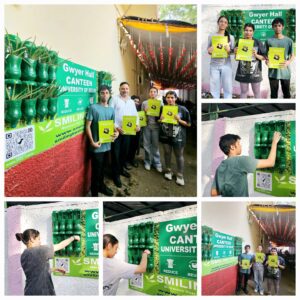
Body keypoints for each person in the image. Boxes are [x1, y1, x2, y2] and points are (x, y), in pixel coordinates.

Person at [211, 131, 281, 197]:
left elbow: (213, 192)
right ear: (232, 147)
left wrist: (230, 189)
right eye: (238, 143)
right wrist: (274, 142)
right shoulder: (241, 161)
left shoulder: (220, 167)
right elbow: (270, 162)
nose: (240, 146)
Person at [16, 228, 80, 295]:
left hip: (29, 291)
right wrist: (73, 237)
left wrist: (55, 269)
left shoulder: (23, 255)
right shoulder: (40, 250)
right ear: (32, 239)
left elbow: (36, 272)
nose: (40, 242)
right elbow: (60, 245)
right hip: (42, 292)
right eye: (39, 239)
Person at [86, 85, 119, 197]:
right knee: (96, 172)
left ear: (109, 95)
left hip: (107, 145)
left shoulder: (111, 109)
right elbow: (87, 126)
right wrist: (92, 142)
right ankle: (94, 194)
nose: (104, 94)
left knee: (103, 170)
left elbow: (112, 125)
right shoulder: (93, 108)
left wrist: (117, 133)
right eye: (102, 92)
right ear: (99, 94)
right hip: (97, 146)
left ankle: (101, 186)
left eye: (106, 92)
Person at [109, 82, 140, 187]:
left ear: (129, 90)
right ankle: (115, 175)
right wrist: (116, 127)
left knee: (124, 152)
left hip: (127, 131)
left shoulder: (131, 102)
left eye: (126, 88)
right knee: (116, 154)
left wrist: (137, 124)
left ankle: (121, 170)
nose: (125, 90)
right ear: (119, 89)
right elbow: (110, 114)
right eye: (123, 88)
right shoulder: (114, 99)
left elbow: (135, 114)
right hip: (116, 131)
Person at [159, 91, 191, 186]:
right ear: (165, 98)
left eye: (172, 97)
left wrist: (179, 120)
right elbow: (159, 121)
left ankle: (180, 175)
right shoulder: (163, 108)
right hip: (165, 135)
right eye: (168, 97)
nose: (170, 99)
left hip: (178, 137)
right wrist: (160, 119)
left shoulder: (182, 109)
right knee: (167, 153)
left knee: (179, 155)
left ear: (176, 98)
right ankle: (168, 171)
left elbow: (189, 124)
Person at [265, 18, 295, 98]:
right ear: (272, 27)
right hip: (273, 72)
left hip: (285, 71)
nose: (277, 27)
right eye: (275, 26)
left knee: (287, 94)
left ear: (283, 27)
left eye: (279, 25)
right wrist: (266, 61)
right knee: (273, 95)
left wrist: (288, 62)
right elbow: (266, 55)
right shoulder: (268, 40)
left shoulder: (289, 41)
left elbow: (292, 55)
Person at [234, 23, 266, 98]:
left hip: (255, 72)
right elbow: (236, 58)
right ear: (243, 31)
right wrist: (236, 53)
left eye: (250, 30)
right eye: (246, 30)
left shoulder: (258, 42)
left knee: (257, 92)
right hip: (243, 71)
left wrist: (256, 55)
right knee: (243, 92)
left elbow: (264, 57)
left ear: (253, 32)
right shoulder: (240, 42)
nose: (248, 32)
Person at [207, 16, 235, 98]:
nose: (223, 23)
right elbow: (208, 50)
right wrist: (209, 50)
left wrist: (229, 50)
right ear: (218, 23)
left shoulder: (231, 37)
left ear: (227, 25)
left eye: (225, 22)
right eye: (221, 21)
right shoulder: (212, 36)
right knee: (214, 88)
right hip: (214, 65)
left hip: (226, 65)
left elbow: (233, 52)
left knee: (228, 88)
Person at [141, 87, 163, 172]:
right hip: (147, 126)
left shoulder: (160, 103)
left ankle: (157, 163)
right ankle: (147, 161)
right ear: (149, 93)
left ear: (157, 93)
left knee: (155, 145)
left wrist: (162, 117)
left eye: (154, 92)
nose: (153, 93)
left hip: (156, 127)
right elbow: (141, 116)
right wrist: (145, 112)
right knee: (146, 145)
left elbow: (163, 115)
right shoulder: (144, 103)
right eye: (151, 91)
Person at [126, 95, 142, 169]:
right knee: (127, 146)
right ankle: (126, 161)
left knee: (134, 145)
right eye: (134, 101)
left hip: (137, 130)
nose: (136, 103)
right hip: (128, 129)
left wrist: (139, 126)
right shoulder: (127, 108)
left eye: (138, 102)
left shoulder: (140, 109)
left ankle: (132, 159)